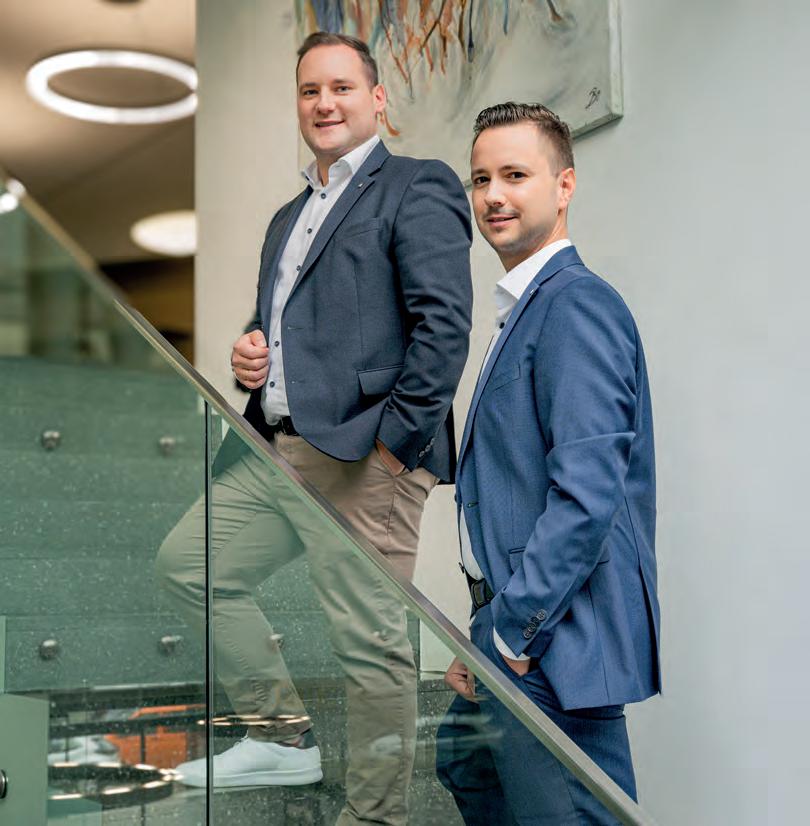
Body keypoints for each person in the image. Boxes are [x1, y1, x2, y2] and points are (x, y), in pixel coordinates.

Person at [157, 32, 472, 826]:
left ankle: (374, 818)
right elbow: (285, 329)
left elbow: (443, 328)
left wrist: (393, 449)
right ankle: (280, 735)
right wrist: (249, 354)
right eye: (309, 90)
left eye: (340, 87)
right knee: (191, 565)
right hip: (276, 447)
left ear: (377, 99)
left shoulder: (417, 185)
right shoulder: (287, 218)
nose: (324, 103)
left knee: (370, 645)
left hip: (366, 454)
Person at [436, 102, 660, 824]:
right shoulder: (526, 307)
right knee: (462, 764)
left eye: (514, 175)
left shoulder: (576, 305)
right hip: (509, 625)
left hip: (554, 641)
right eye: (481, 179)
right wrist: (483, 631)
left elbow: (588, 495)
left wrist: (511, 631)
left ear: (564, 186)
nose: (492, 195)